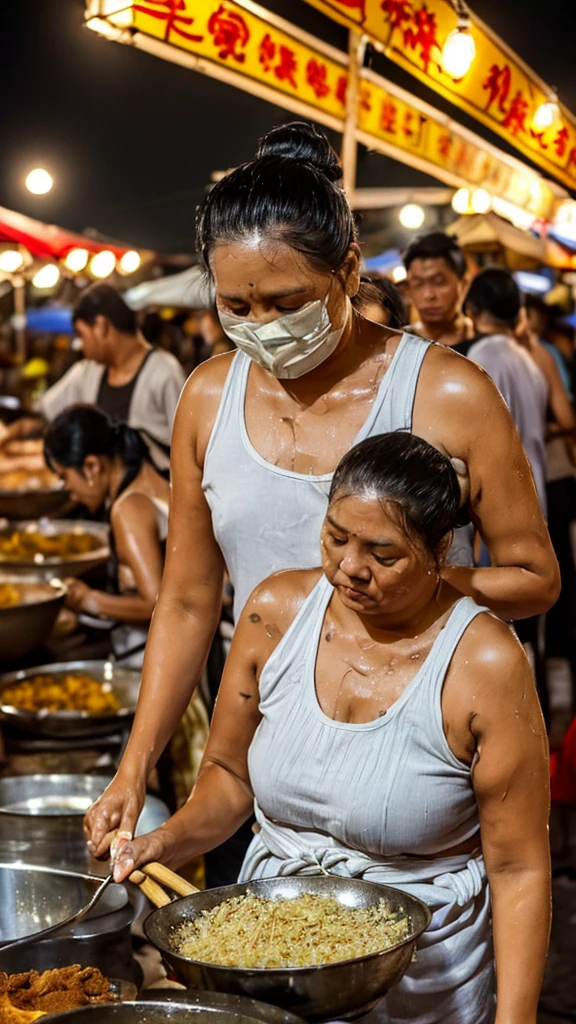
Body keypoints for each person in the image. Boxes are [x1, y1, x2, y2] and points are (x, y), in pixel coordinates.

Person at [84, 121, 558, 873]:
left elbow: (536, 577)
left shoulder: (447, 393)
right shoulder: (208, 397)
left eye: (285, 301)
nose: (262, 328)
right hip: (257, 725)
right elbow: (185, 601)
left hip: (416, 726)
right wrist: (134, 768)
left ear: (348, 268)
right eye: (236, 308)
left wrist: (398, 597)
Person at [113, 432, 551, 1024]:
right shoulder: (276, 612)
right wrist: (166, 841)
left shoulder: (485, 663)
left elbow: (518, 867)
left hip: (423, 972)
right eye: (336, 536)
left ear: (441, 547)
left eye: (382, 552)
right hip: (266, 961)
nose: (349, 567)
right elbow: (229, 775)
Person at [4, 284, 186, 474]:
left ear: (101, 326)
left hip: (158, 498)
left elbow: (189, 449)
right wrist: (14, 432)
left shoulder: (164, 372)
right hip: (103, 499)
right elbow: (43, 414)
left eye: (81, 334)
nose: (81, 345)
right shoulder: (88, 373)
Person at [44, 405, 169, 630]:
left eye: (65, 476)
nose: (68, 489)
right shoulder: (148, 474)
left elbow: (156, 604)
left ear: (92, 466)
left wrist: (88, 599)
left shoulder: (128, 510)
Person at [464, 267, 548, 511]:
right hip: (534, 497)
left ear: (472, 310)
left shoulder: (485, 355)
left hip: (506, 505)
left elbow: (485, 439)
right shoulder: (525, 357)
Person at [404, 232, 475, 351]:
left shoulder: (483, 342)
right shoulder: (400, 345)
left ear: (463, 284)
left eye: (438, 282)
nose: (429, 295)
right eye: (418, 284)